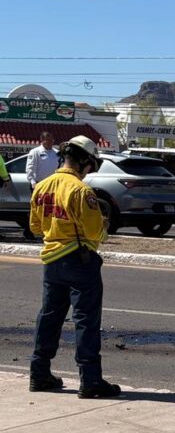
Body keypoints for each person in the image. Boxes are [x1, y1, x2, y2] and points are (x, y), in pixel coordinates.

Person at [28, 136, 120, 399]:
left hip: (51, 260)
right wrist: (102, 222)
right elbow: (95, 233)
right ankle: (90, 380)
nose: (90, 170)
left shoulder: (42, 187)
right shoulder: (81, 192)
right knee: (85, 320)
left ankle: (39, 373)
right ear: (84, 162)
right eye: (91, 165)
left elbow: (36, 227)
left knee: (49, 316)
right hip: (80, 261)